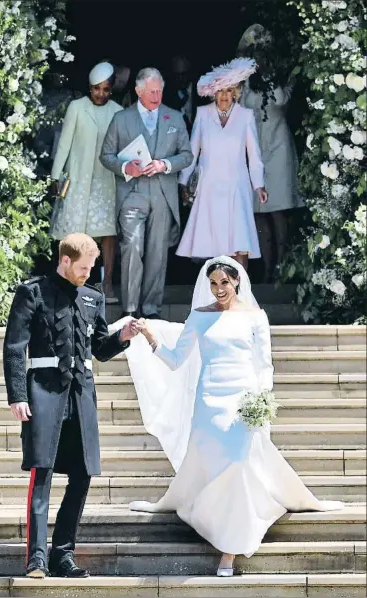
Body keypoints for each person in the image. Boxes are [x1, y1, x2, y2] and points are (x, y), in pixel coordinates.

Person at [123, 256, 343, 576]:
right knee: (219, 469)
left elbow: (264, 364)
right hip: (209, 403)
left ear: (236, 281)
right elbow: (174, 360)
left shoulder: (256, 316)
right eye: (213, 284)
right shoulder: (200, 317)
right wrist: (150, 337)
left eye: (224, 283)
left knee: (238, 464)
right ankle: (217, 524)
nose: (218, 289)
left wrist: (261, 402)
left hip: (243, 402)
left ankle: (229, 551)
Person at [3, 233, 138, 579]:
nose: (88, 273)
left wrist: (122, 338)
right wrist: (18, 395)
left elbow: (100, 350)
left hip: (82, 397)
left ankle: (62, 554)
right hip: (44, 394)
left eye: (92, 267)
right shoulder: (32, 293)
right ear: (65, 260)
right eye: (83, 267)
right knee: (42, 473)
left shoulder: (93, 297)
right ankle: (36, 558)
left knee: (81, 475)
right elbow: (15, 348)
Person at [100, 67, 193, 319]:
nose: (156, 95)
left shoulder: (174, 117)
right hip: (132, 192)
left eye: (159, 91)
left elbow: (187, 155)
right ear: (138, 91)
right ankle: (130, 309)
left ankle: (151, 309)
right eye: (151, 91)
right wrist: (125, 167)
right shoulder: (121, 118)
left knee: (157, 252)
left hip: (163, 193)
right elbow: (105, 156)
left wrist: (165, 164)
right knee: (131, 246)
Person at [177, 58, 268, 271]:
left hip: (238, 186)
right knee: (214, 243)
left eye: (229, 91)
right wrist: (184, 183)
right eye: (220, 91)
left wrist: (259, 185)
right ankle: (217, 296)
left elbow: (254, 154)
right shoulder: (202, 114)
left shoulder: (245, 116)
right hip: (209, 186)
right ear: (213, 92)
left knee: (240, 242)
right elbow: (192, 150)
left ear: (235, 92)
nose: (224, 96)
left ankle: (241, 293)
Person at [50, 62, 122, 303]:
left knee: (108, 232)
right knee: (72, 234)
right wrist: (55, 176)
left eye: (106, 89)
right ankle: (66, 281)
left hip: (105, 180)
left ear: (112, 89)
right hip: (78, 178)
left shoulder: (117, 111)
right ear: (89, 88)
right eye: (96, 89)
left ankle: (107, 283)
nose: (101, 94)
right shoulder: (76, 107)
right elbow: (64, 144)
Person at [238, 24, 304, 282]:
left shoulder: (279, 76)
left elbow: (280, 100)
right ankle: (266, 268)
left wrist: (271, 74)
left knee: (278, 210)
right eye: (255, 54)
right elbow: (240, 108)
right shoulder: (245, 81)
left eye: (262, 54)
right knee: (259, 213)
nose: (259, 59)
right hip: (254, 148)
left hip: (278, 147)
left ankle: (282, 266)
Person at [163, 54, 198, 135]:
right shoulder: (166, 96)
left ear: (190, 73)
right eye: (177, 75)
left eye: (184, 74)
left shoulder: (201, 92)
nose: (181, 79)